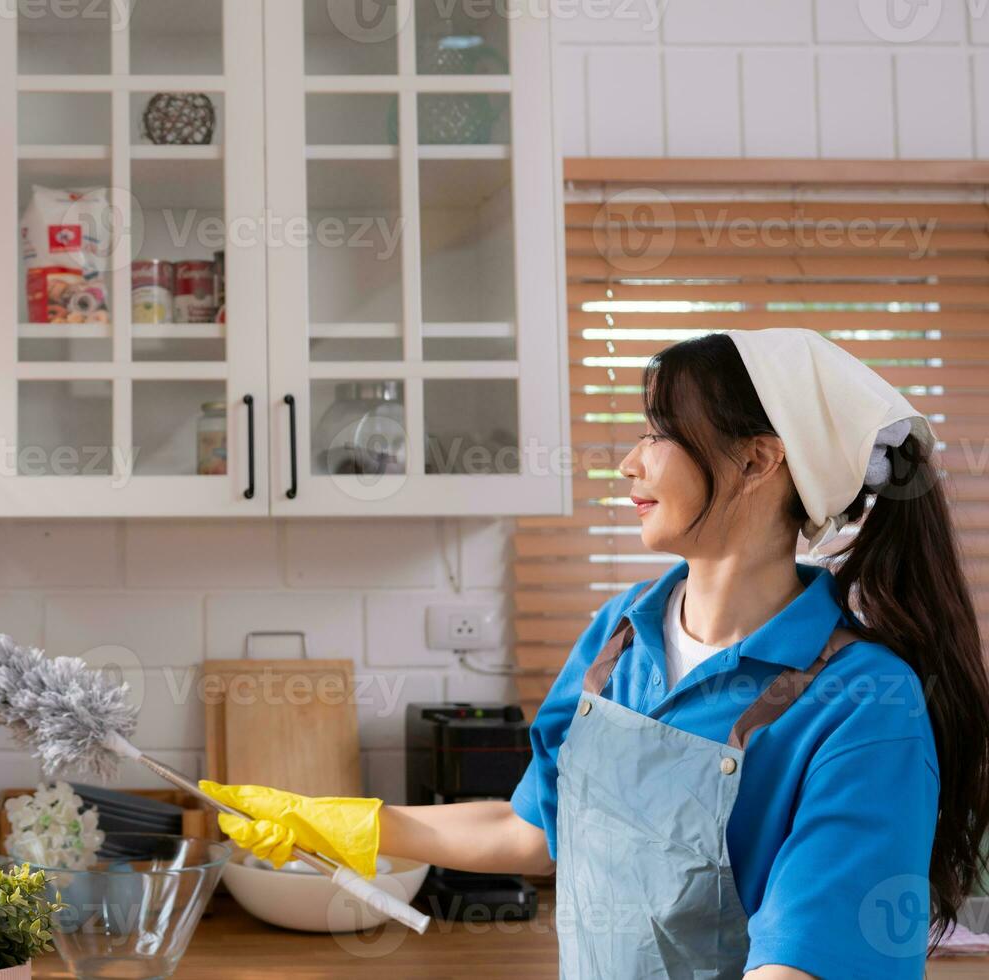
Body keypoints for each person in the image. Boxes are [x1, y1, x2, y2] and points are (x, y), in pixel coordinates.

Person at [201, 330, 989, 979]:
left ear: (757, 461)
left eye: (659, 434)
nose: (629, 464)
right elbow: (535, 832)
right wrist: (347, 825)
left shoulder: (863, 704)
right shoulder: (621, 635)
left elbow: (803, 965)